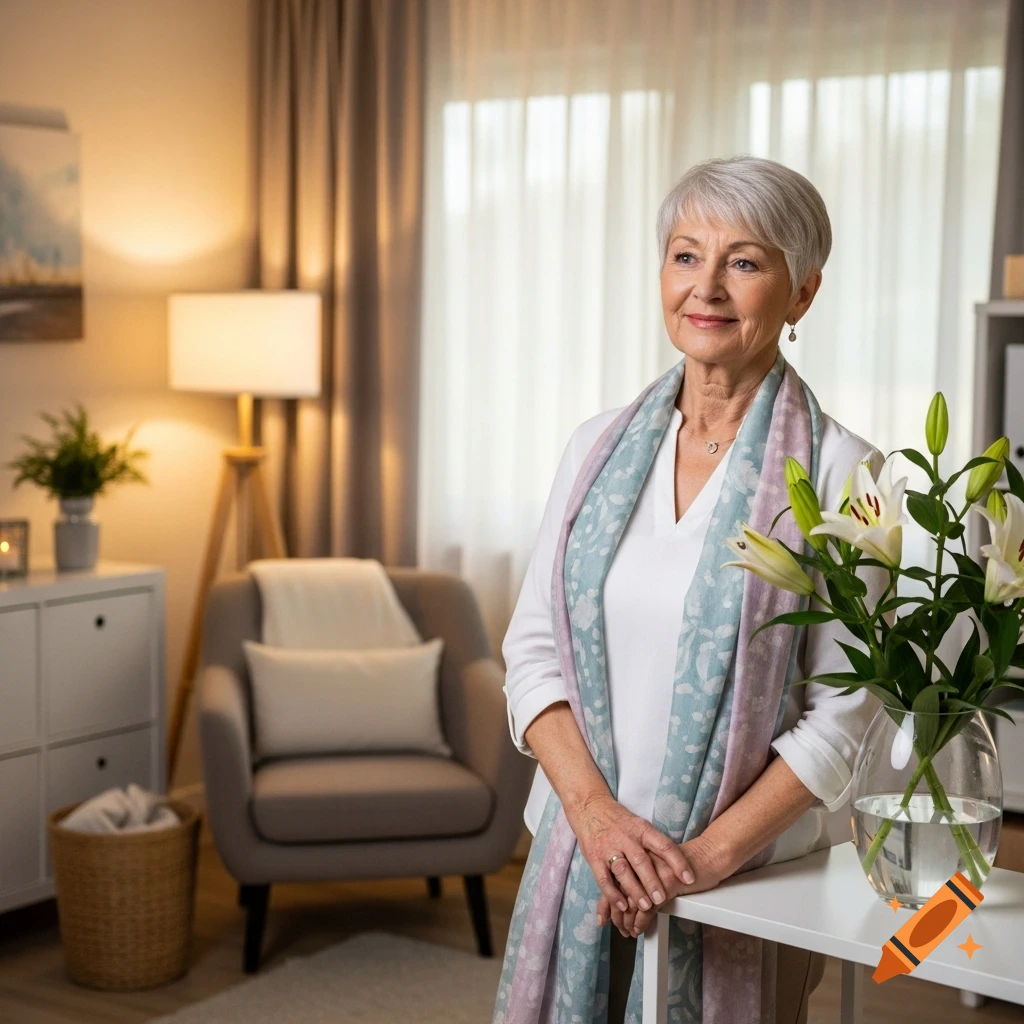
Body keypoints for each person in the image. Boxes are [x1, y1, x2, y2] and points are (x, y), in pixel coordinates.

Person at [493, 155, 887, 1024]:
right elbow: (531, 651)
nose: (705, 287)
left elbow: (845, 715)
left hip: (743, 883)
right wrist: (596, 819)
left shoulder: (848, 473)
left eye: (743, 262)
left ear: (803, 293)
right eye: (685, 255)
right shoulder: (595, 449)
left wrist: (699, 861)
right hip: (579, 850)